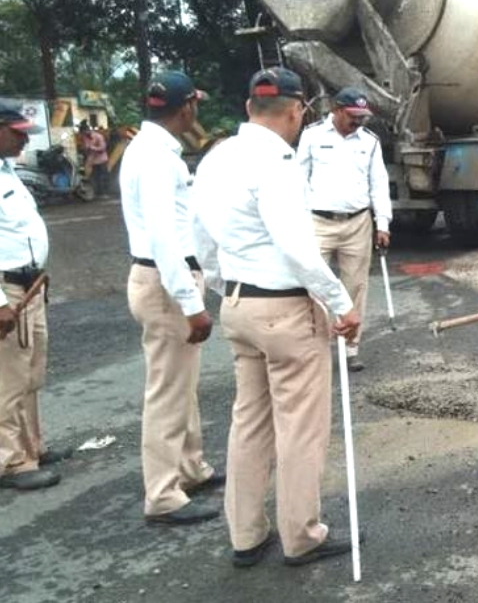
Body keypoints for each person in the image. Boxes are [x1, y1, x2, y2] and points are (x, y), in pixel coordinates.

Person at [192, 68, 362, 567]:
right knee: (300, 427)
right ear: (295, 111)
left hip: (240, 305)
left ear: (249, 108)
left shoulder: (217, 157)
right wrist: (340, 301)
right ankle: (302, 535)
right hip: (285, 309)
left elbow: (200, 238)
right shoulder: (279, 161)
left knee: (249, 422)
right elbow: (298, 248)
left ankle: (246, 535)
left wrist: (226, 287)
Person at [120, 71, 224, 525]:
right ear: (185, 107)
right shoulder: (156, 157)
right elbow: (164, 237)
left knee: (182, 384)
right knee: (167, 390)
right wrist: (191, 303)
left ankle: (189, 467)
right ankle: (162, 494)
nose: (195, 111)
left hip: (164, 277)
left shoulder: (150, 149)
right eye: (194, 104)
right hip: (165, 282)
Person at [0, 100, 71, 491]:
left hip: (30, 288)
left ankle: (31, 448)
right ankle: (10, 461)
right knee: (8, 377)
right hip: (8, 289)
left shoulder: (9, 172)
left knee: (30, 373)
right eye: (17, 131)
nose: (24, 137)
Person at [297, 87, 390, 372]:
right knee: (312, 286)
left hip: (358, 223)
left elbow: (379, 183)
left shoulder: (370, 141)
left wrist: (382, 223)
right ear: (336, 110)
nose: (358, 122)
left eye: (362, 117)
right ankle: (315, 348)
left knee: (355, 287)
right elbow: (299, 180)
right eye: (353, 116)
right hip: (319, 222)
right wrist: (297, 221)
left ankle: (351, 348)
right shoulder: (311, 135)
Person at [79, 121, 110, 196]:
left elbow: (102, 148)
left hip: (101, 160)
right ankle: (98, 193)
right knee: (95, 177)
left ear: (88, 130)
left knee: (102, 177)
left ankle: (104, 193)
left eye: (85, 132)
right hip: (93, 161)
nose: (84, 134)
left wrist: (92, 148)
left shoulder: (98, 136)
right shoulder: (84, 138)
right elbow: (85, 148)